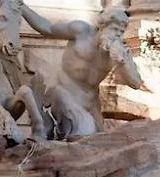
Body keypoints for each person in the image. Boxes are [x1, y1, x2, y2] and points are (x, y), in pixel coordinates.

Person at [21, 5, 144, 137]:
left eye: (121, 31)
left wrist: (123, 62)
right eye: (114, 29)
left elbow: (135, 83)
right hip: (64, 96)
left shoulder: (116, 53)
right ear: (101, 26)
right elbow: (47, 28)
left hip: (91, 106)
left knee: (100, 143)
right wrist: (21, 7)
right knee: (85, 132)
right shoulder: (81, 32)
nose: (118, 35)